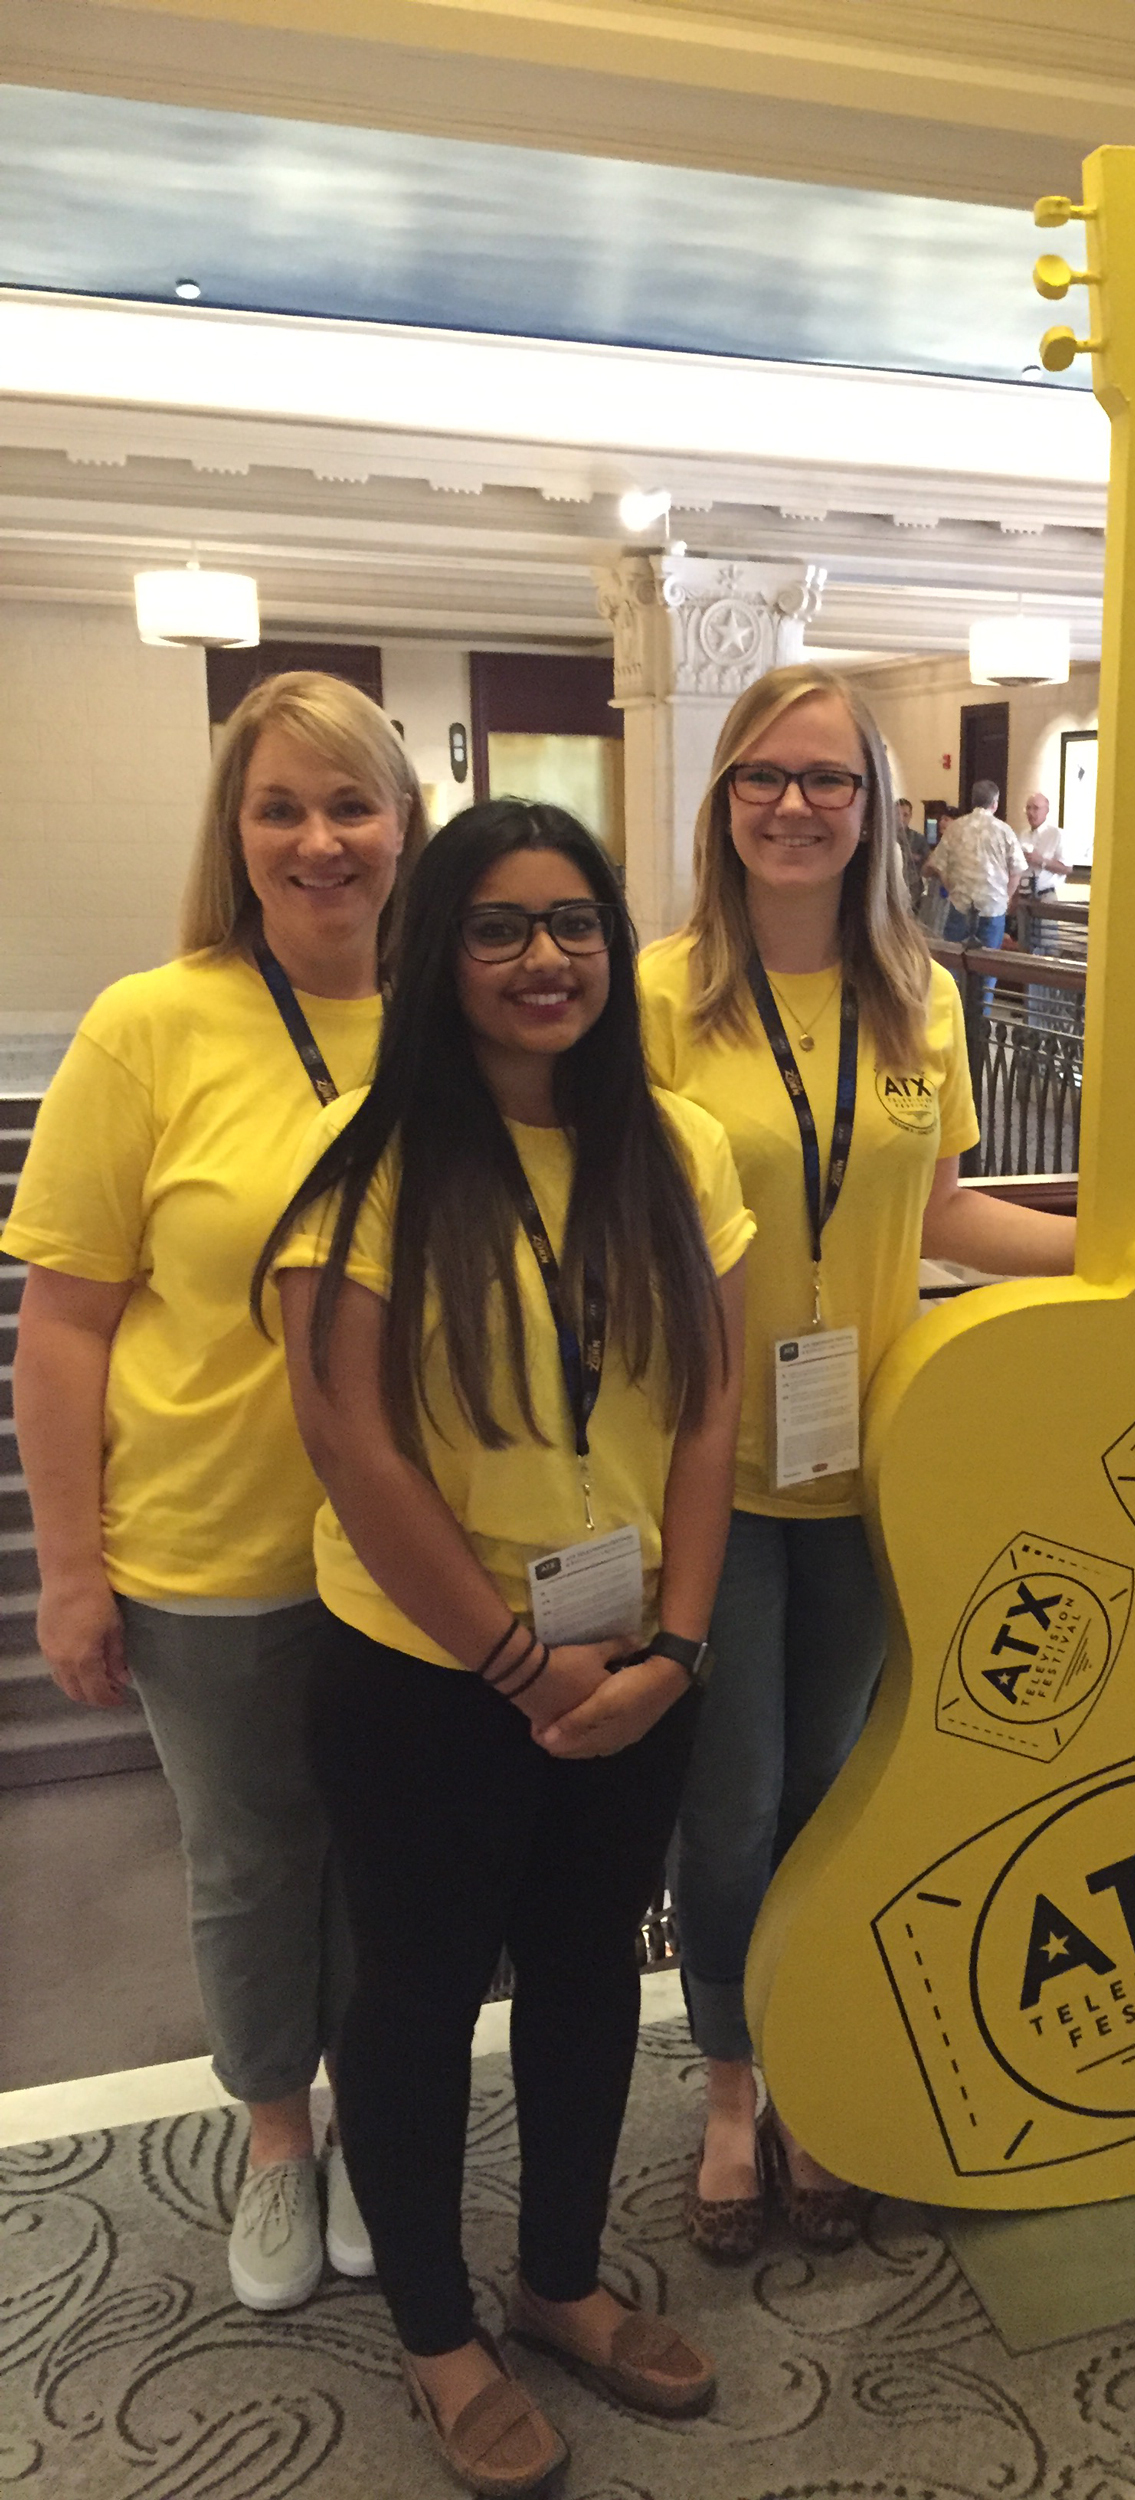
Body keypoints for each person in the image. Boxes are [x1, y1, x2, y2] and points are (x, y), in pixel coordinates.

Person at [638, 663, 1135, 2263]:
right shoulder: (656, 997)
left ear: (871, 809)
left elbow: (945, 1213)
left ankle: (814, 2072)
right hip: (705, 1465)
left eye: (826, 780)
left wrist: (1128, 1251)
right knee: (729, 1803)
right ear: (723, 800)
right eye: (764, 777)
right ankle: (728, 2090)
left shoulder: (922, 998)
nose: (793, 806)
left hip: (876, 1462)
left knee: (836, 1790)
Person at [262, 801, 749, 2496]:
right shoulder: (371, 1158)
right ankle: (436, 2331)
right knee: (411, 1996)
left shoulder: (674, 1147)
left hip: (633, 1657)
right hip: (427, 1673)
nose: (544, 958)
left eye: (574, 924)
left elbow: (709, 1411)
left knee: (590, 1974)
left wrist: (676, 1646)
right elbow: (351, 1444)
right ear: (439, 956)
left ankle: (557, 2282)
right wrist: (516, 1667)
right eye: (498, 927)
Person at [4, 671, 426, 2312]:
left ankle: (376, 2120)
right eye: (281, 808)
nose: (320, 841)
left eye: (350, 804)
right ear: (234, 833)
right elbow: (64, 1321)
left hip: (425, 1547)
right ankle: (274, 2137)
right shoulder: (152, 1024)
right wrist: (70, 1569)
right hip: (212, 1545)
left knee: (394, 1857)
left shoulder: (462, 1018)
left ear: (404, 823)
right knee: (251, 1861)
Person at [930, 776, 1027, 958]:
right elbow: (1017, 870)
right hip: (993, 908)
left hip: (960, 905)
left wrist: (952, 889)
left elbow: (939, 865)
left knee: (954, 961)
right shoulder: (1004, 830)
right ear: (995, 804)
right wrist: (1005, 897)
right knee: (988, 964)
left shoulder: (955, 828)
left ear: (973, 800)